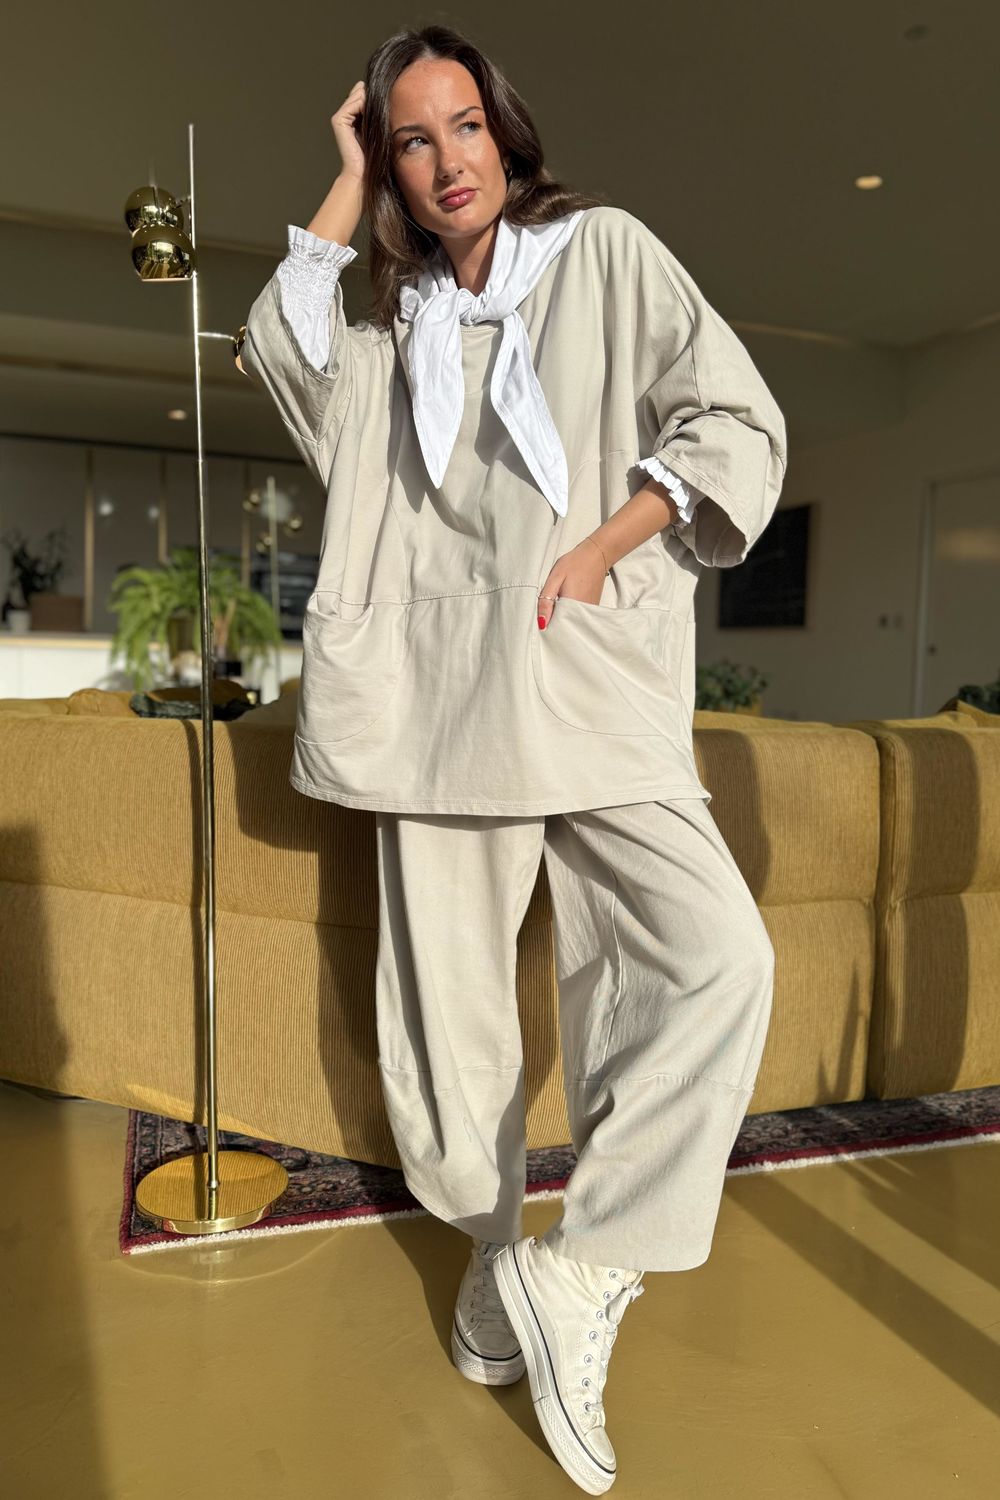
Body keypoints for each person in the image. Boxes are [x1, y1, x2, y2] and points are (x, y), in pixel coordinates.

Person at [240, 23, 787, 1495]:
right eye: (411, 140)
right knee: (453, 1022)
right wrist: (343, 174)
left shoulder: (605, 255)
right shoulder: (387, 332)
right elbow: (282, 345)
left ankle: (584, 1264)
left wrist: (613, 535)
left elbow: (734, 417)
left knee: (714, 961)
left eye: (463, 125)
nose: (446, 161)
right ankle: (494, 1260)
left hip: (591, 678)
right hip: (436, 703)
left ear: (506, 131)